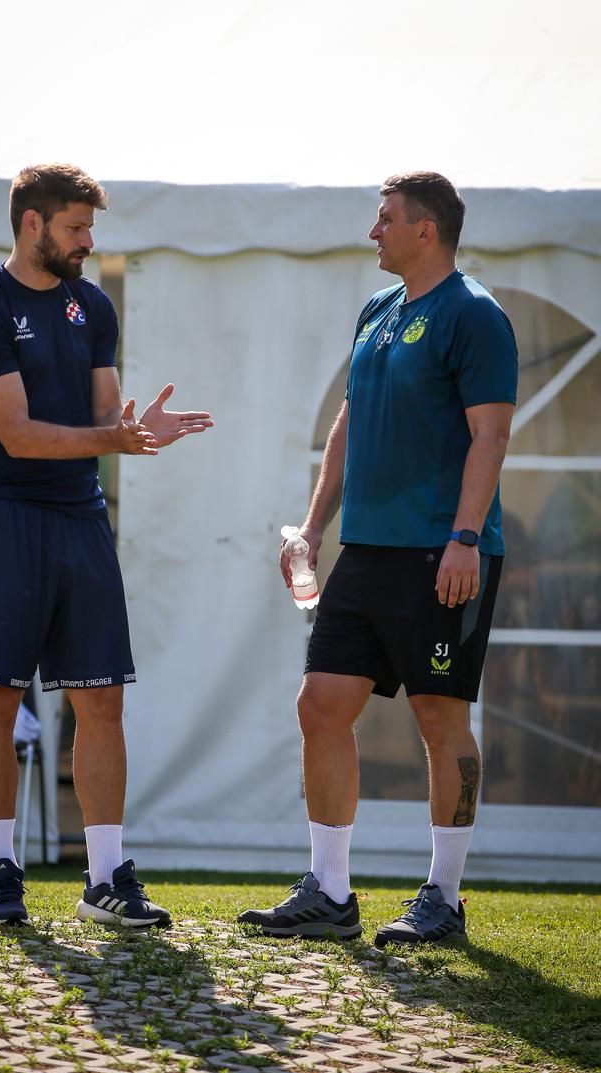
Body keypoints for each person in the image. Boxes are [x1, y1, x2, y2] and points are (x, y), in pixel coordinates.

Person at [238, 172, 517, 945]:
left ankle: (444, 899)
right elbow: (350, 421)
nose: (374, 232)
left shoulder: (475, 314)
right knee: (319, 704)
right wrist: (311, 526)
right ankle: (330, 893)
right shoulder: (378, 311)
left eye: (386, 219)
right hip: (364, 551)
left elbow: (491, 437)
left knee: (440, 720)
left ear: (426, 230)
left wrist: (464, 538)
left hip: (442, 552)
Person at [0, 164, 213, 927]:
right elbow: (19, 435)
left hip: (82, 519)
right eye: (76, 228)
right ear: (32, 223)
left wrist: (132, 431)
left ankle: (104, 878)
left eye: (91, 228)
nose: (88, 243)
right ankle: (2, 870)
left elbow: (105, 414)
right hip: (6, 517)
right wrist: (115, 438)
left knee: (103, 699)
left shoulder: (90, 304)